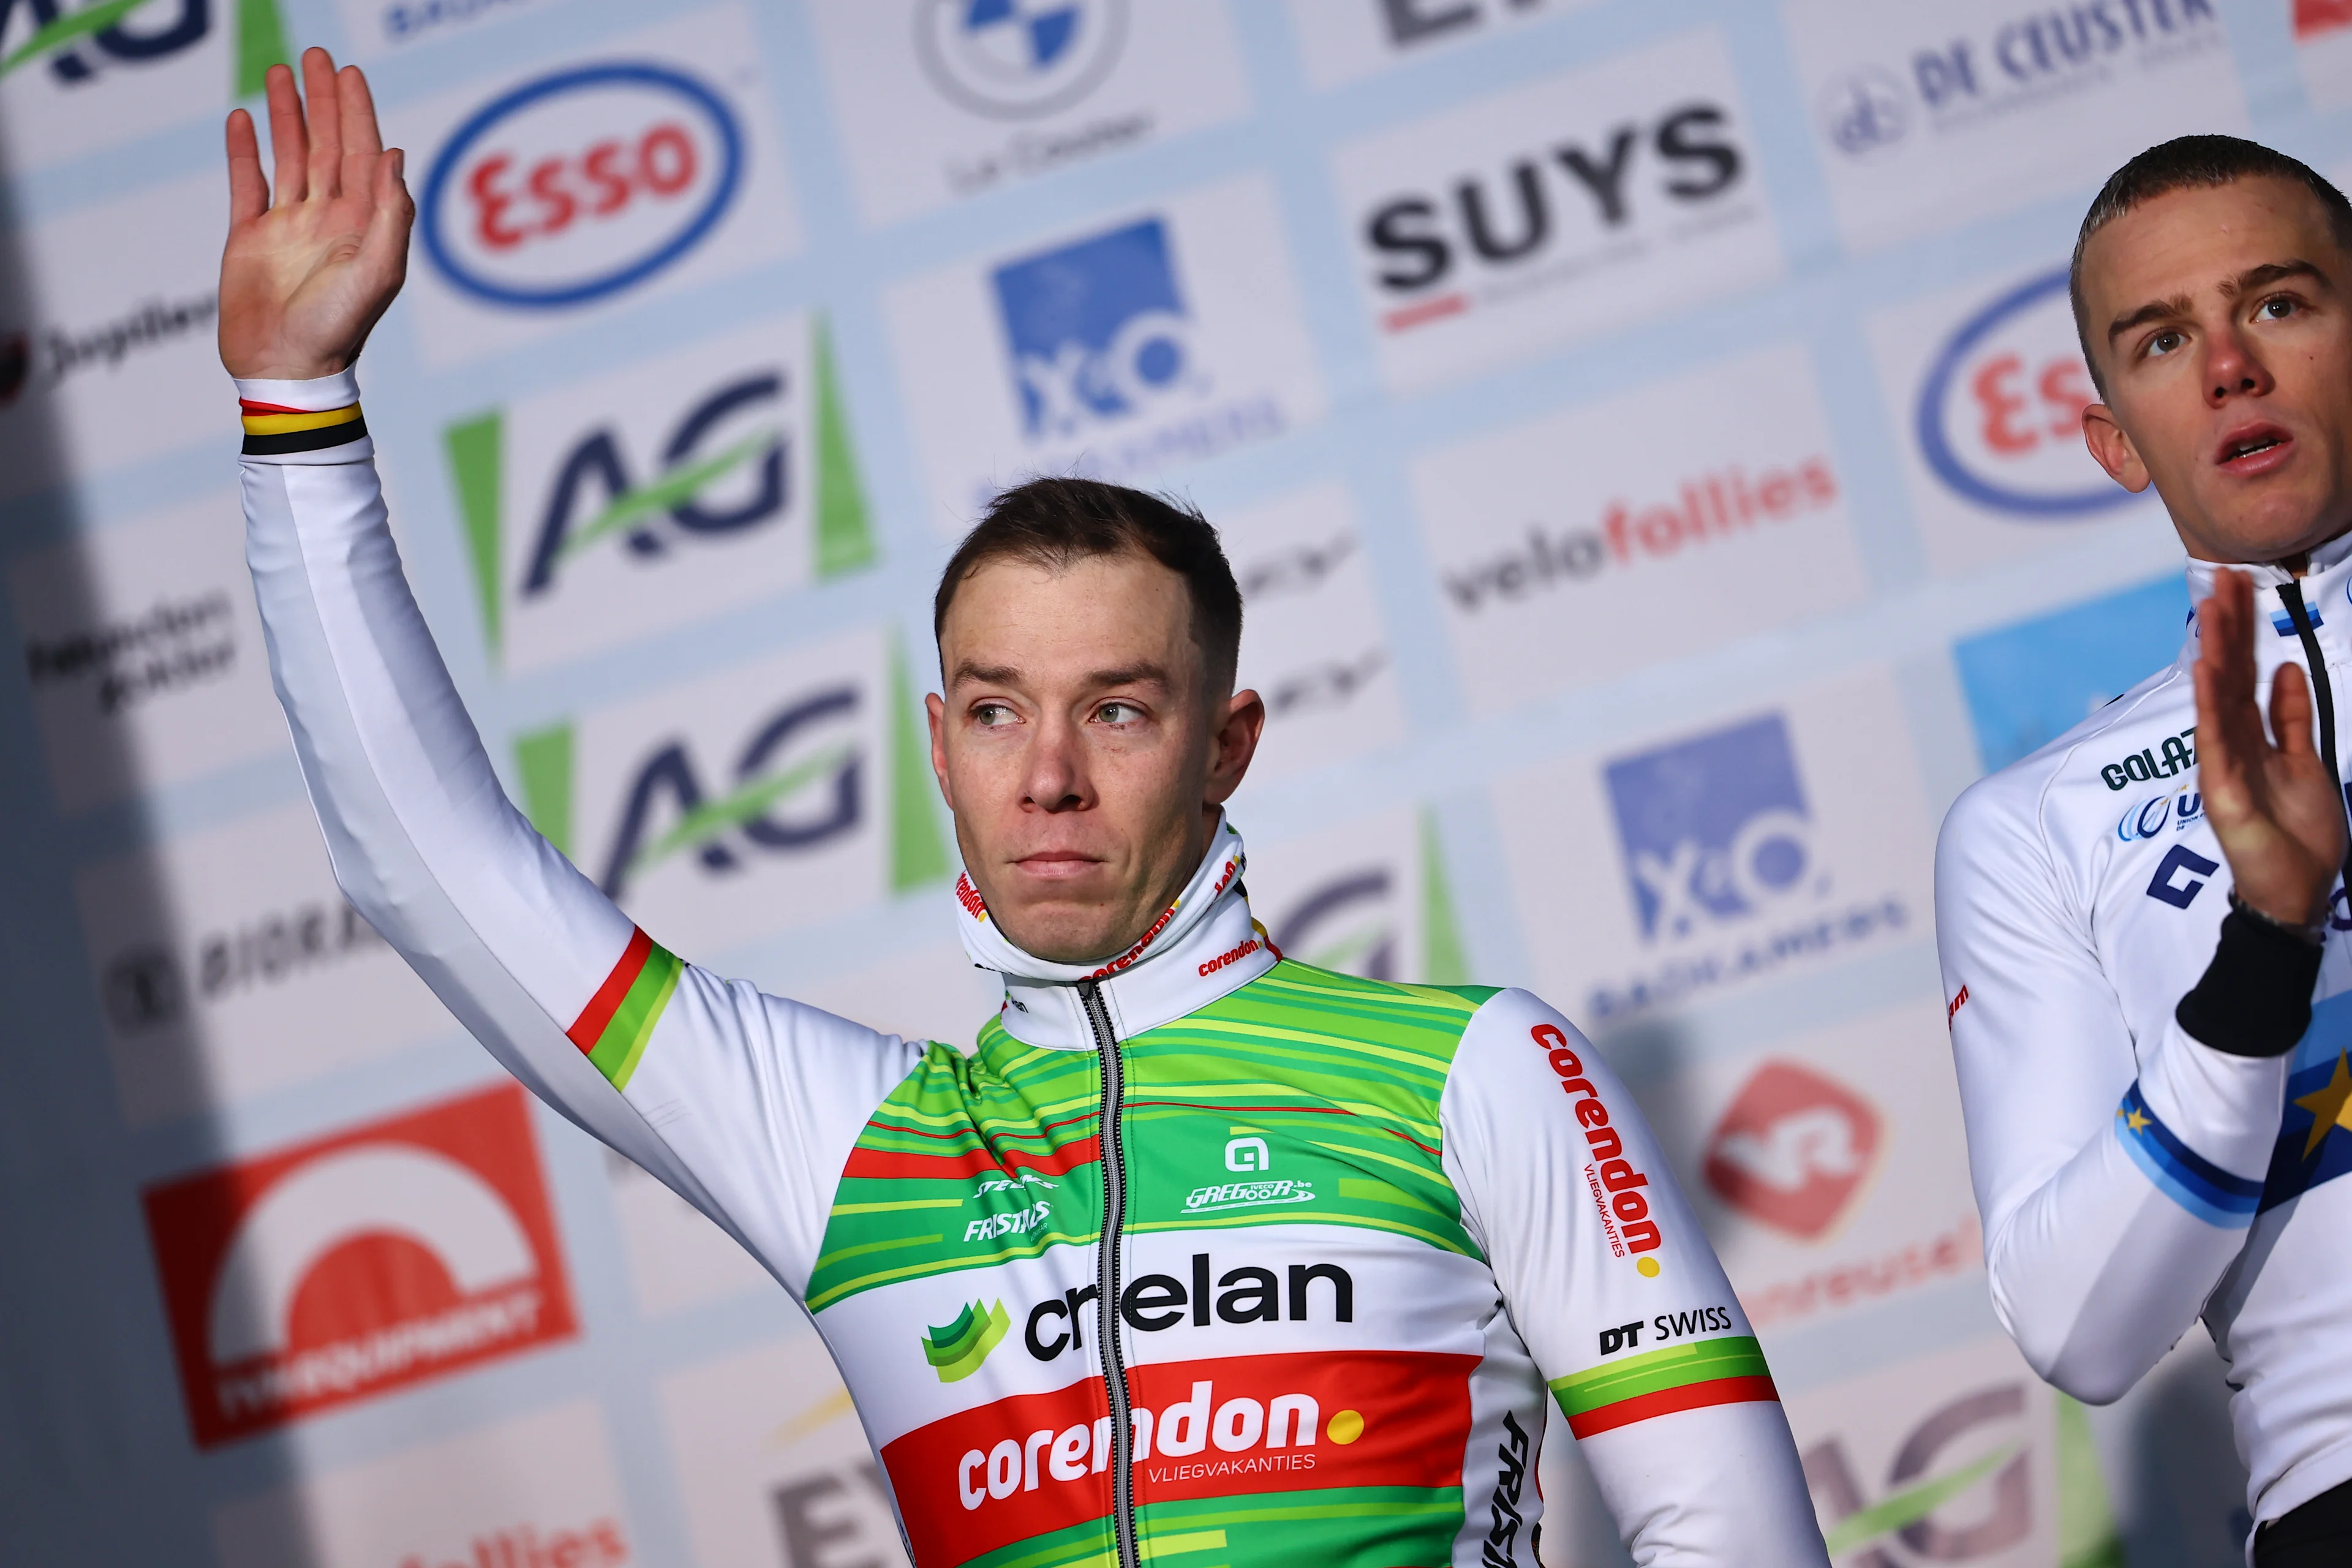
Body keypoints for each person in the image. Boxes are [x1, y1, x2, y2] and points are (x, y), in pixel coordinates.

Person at [221, 49, 1826, 1568]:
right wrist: (297, 412)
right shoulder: (848, 1145)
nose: (1047, 773)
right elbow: (438, 872)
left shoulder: (1472, 1070)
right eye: (997, 712)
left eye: (1117, 710)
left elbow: (1734, 1532)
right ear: (940, 744)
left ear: (1226, 743)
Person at [1937, 134, 2352, 1566]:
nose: (2230, 365)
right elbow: (2081, 1324)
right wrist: (2266, 948)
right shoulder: (2039, 821)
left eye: (2281, 304)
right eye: (2164, 339)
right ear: (2114, 437)